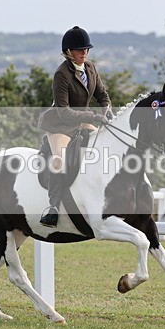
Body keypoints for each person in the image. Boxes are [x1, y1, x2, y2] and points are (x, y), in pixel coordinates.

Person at [37, 26, 112, 227]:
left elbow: (102, 95)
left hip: (82, 120)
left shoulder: (91, 68)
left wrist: (106, 108)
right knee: (60, 160)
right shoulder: (61, 74)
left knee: (103, 148)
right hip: (59, 124)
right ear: (69, 52)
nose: (84, 53)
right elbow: (64, 111)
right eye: (80, 50)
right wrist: (93, 116)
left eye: (86, 49)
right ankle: (53, 208)